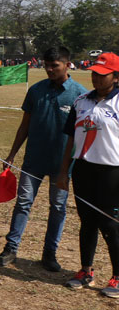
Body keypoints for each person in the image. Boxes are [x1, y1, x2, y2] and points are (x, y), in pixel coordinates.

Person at [0, 47, 86, 271]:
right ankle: (11, 248)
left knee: (58, 207)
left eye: (55, 65)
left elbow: (82, 133)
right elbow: (25, 125)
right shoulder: (36, 90)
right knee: (23, 203)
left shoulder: (80, 95)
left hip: (62, 164)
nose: (50, 70)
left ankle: (49, 254)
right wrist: (12, 153)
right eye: (47, 65)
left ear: (67, 64)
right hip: (33, 160)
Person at [56, 52, 119, 297]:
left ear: (116, 77)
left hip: (112, 172)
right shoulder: (81, 101)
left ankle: (117, 277)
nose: (97, 78)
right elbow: (71, 139)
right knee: (87, 222)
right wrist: (64, 171)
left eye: (103, 75)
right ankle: (85, 271)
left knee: (110, 224)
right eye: (94, 73)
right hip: (83, 169)